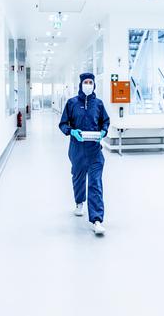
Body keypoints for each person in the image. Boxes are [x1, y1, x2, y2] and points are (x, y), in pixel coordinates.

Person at [59, 73, 110, 235]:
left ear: (94, 85)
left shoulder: (99, 104)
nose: (88, 84)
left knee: (95, 182)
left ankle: (97, 220)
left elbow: (105, 121)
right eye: (85, 82)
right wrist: (72, 131)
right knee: (78, 178)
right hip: (77, 149)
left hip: (95, 149)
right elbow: (62, 124)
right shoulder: (72, 103)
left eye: (91, 82)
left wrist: (103, 131)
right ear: (81, 84)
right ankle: (79, 202)